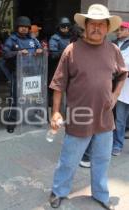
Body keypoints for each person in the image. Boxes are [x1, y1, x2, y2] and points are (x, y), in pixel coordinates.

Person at [48, 4, 127, 210]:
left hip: (105, 117)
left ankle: (100, 194)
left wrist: (115, 94)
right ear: (86, 26)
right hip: (79, 117)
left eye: (102, 25)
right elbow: (58, 84)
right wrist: (56, 111)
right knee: (69, 160)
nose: (97, 28)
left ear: (107, 28)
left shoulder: (113, 50)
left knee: (101, 160)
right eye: (93, 24)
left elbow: (122, 74)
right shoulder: (71, 50)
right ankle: (58, 191)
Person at [3, 16, 43, 133]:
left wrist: (40, 50)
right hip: (18, 74)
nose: (24, 29)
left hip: (32, 74)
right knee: (15, 98)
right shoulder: (12, 39)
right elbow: (5, 54)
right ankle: (11, 122)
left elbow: (40, 48)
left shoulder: (33, 39)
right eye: (22, 27)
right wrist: (18, 53)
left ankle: (31, 117)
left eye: (26, 27)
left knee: (32, 97)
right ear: (17, 27)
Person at [112, 21, 129, 156]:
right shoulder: (111, 44)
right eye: (117, 29)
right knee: (116, 118)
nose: (119, 31)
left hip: (126, 85)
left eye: (122, 29)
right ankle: (114, 144)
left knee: (121, 119)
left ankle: (117, 144)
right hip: (113, 85)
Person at [48, 17, 72, 107]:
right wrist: (66, 51)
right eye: (63, 26)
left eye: (67, 26)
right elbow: (53, 54)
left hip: (71, 69)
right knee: (57, 93)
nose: (66, 29)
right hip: (58, 69)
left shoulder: (72, 37)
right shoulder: (55, 38)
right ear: (59, 27)